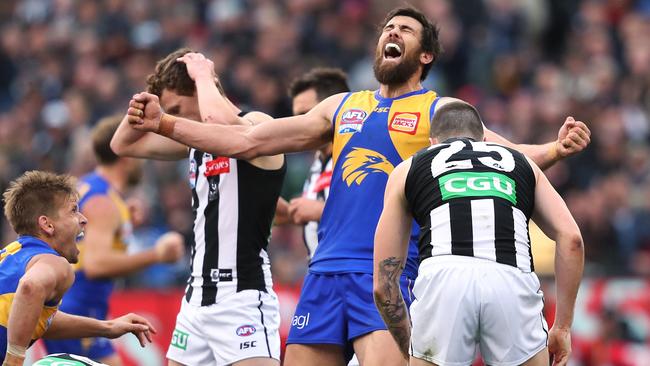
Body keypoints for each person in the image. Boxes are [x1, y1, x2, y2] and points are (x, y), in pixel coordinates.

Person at [124, 7, 591, 365]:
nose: (392, 32)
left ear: (425, 55)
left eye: (405, 30)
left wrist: (554, 149)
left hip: (387, 273)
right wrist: (165, 124)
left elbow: (501, 154)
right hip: (324, 273)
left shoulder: (437, 109)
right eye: (388, 27)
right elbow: (246, 138)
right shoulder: (342, 106)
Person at [373, 101, 584, 366]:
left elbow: (384, 286)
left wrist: (411, 349)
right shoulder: (523, 163)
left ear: (432, 142)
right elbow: (572, 239)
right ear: (485, 140)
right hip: (511, 277)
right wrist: (562, 327)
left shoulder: (408, 168)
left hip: (443, 279)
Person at [111, 48, 285, 366]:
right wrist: (145, 99)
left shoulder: (256, 124)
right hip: (196, 295)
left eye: (178, 107)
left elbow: (216, 119)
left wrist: (204, 75)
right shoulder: (193, 141)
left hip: (241, 292)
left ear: (201, 90)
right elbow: (122, 144)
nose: (174, 117)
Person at [42, 116, 185, 366]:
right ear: (125, 155)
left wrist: (125, 219)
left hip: (76, 303)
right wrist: (157, 255)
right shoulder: (103, 202)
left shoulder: (88, 187)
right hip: (79, 305)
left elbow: (90, 233)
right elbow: (96, 265)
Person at [1, 171, 156, 366]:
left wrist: (107, 327)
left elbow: (36, 321)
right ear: (47, 224)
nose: (84, 219)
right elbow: (30, 287)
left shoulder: (11, 255)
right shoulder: (56, 264)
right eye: (73, 210)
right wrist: (14, 360)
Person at [277, 68, 350, 257]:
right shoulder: (318, 163)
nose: (300, 123)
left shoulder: (357, 156)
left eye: (307, 114)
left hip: (352, 273)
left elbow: (376, 213)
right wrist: (289, 213)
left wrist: (319, 210)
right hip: (321, 273)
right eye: (296, 116)